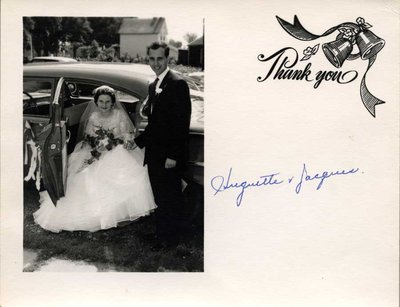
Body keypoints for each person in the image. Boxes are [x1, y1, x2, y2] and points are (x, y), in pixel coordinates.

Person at [33, 85, 156, 233]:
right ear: (96, 103)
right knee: (82, 175)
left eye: (107, 102)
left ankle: (119, 212)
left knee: (126, 172)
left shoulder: (119, 115)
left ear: (112, 102)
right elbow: (89, 136)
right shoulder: (93, 117)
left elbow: (126, 134)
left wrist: (112, 143)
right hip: (95, 150)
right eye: (101, 102)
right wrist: (97, 145)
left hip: (116, 149)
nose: (104, 105)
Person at [132, 42, 192, 249]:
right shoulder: (153, 85)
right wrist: (138, 142)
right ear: (147, 59)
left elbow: (181, 124)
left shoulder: (177, 84)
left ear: (168, 59)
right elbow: (155, 124)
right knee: (159, 195)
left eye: (159, 59)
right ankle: (161, 233)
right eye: (152, 59)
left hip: (169, 155)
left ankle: (170, 239)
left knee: (170, 197)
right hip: (155, 153)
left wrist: (173, 156)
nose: (155, 63)